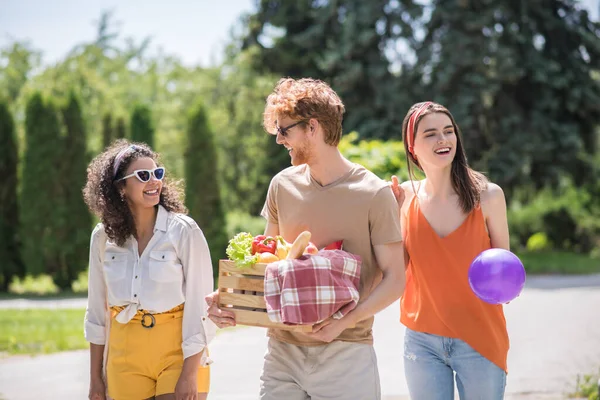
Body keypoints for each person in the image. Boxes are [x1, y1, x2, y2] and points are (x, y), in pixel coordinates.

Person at [206, 77, 406, 400]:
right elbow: (265, 265)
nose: (278, 140)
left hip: (346, 354)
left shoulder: (374, 194)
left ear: (312, 127)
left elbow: (396, 280)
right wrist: (227, 299)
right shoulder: (281, 186)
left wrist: (343, 323)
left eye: (284, 130)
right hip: (283, 354)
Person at [390, 101, 510, 399]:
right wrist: (391, 218)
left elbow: (503, 274)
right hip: (422, 341)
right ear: (412, 147)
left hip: (480, 338)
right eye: (430, 134)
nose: (443, 139)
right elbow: (397, 270)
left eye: (448, 131)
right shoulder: (404, 196)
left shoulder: (489, 196)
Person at [83, 140, 215, 400]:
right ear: (121, 187)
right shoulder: (102, 238)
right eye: (143, 176)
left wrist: (190, 373)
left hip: (177, 352)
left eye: (158, 173)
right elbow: (97, 311)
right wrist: (95, 378)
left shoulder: (184, 231)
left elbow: (201, 306)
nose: (154, 181)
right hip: (124, 356)